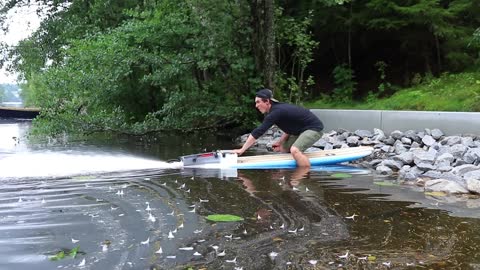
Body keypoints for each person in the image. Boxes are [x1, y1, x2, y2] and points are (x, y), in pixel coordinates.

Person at [232, 89, 324, 167]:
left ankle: (305, 176)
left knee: (295, 150)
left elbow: (258, 132)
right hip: (301, 130)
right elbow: (289, 127)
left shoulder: (276, 112)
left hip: (314, 128)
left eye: (258, 102)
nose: (256, 106)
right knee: (283, 149)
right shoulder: (276, 111)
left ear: (267, 101)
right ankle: (290, 174)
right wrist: (280, 142)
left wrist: (242, 150)